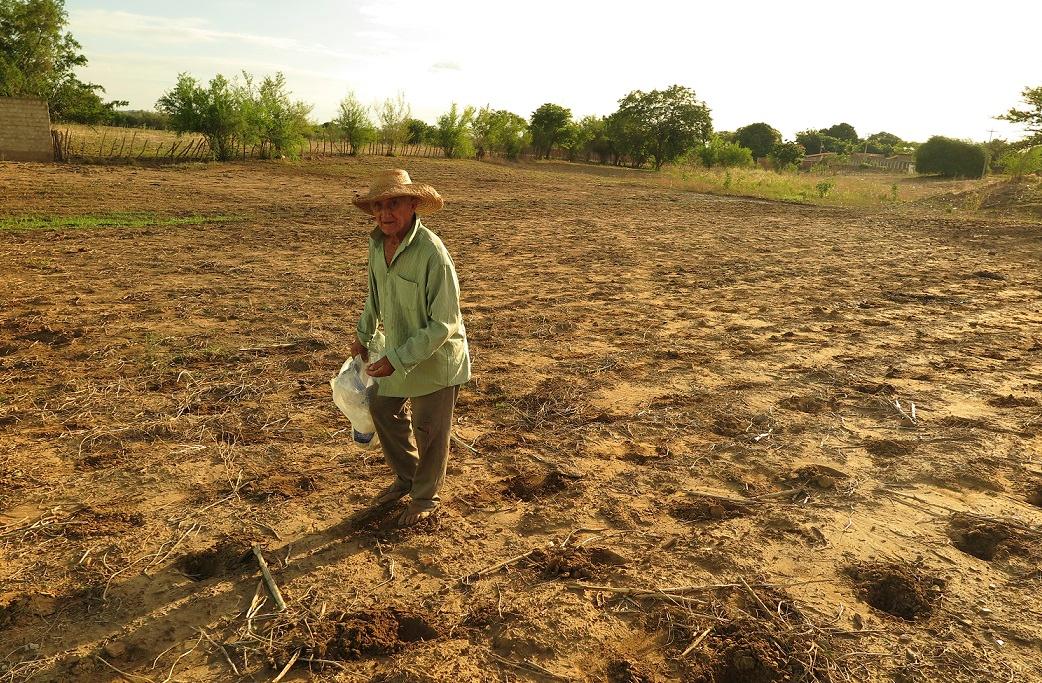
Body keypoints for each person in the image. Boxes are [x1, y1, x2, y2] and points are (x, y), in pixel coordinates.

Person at [350, 169, 471, 527]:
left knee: (429, 430)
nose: (386, 213)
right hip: (397, 351)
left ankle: (424, 498)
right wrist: (362, 334)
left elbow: (444, 324)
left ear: (413, 204)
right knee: (381, 408)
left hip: (436, 358)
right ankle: (407, 477)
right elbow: (375, 295)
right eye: (379, 206)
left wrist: (396, 359)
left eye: (395, 204)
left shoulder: (433, 253)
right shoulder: (377, 244)